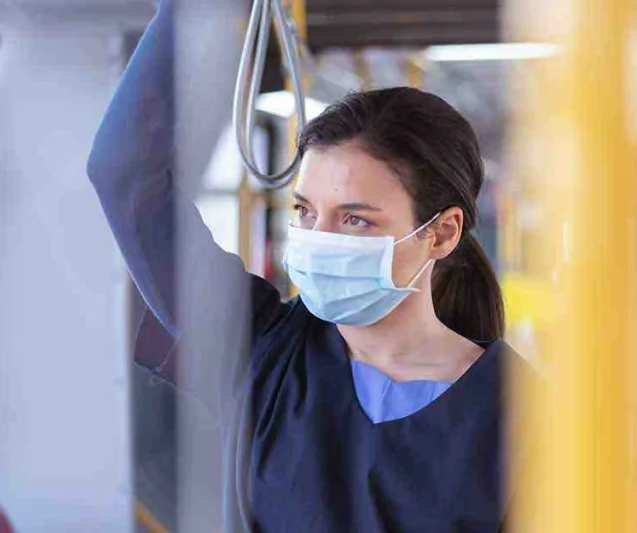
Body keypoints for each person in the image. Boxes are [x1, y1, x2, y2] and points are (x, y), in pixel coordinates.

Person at [86, 2, 533, 531]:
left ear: (441, 232)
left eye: (355, 221)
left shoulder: (526, 417)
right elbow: (124, 171)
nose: (318, 241)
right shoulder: (258, 350)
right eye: (304, 211)